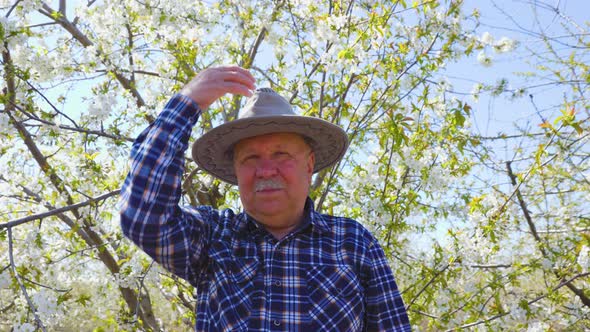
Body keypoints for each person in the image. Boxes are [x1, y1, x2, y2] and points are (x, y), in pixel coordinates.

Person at [119, 65, 411, 331]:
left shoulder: (353, 242)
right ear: (235, 170)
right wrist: (186, 104)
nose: (265, 170)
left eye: (281, 154)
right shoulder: (213, 237)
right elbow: (142, 216)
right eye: (250, 158)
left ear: (309, 164)